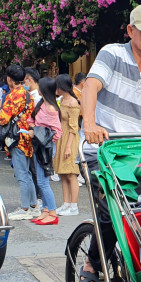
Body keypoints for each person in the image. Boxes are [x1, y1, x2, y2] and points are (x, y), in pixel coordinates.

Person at [78, 4, 141, 282]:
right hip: (103, 149)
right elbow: (91, 87)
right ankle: (93, 262)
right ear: (131, 31)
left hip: (134, 152)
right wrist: (90, 124)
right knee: (112, 209)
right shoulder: (112, 54)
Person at [0, 64, 59, 223]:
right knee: (29, 174)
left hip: (17, 138)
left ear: (9, 79)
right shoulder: (28, 95)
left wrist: (0, 115)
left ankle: (25, 208)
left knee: (22, 174)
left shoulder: (12, 96)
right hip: (30, 139)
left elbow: (2, 118)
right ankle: (33, 206)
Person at [30, 77, 63, 225]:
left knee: (43, 182)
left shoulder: (51, 109)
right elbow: (34, 120)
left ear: (43, 90)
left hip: (46, 149)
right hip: (39, 147)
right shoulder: (42, 103)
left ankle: (53, 213)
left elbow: (57, 132)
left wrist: (36, 132)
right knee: (40, 180)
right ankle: (45, 210)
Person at [53, 74, 82, 217]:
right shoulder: (62, 100)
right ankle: (66, 204)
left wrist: (68, 147)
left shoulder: (73, 103)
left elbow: (73, 127)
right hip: (61, 137)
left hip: (70, 138)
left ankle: (74, 206)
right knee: (62, 173)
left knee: (71, 173)